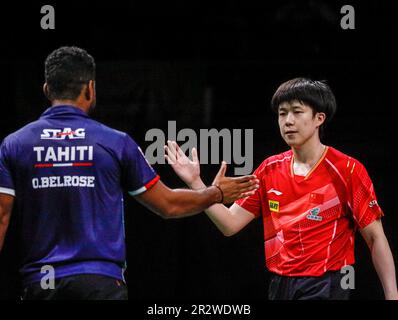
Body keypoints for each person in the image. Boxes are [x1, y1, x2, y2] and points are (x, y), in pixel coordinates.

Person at [0, 46, 259, 300]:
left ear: (47, 90)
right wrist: (216, 193)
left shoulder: (15, 144)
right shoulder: (115, 142)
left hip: (41, 283)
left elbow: (2, 216)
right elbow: (167, 205)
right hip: (100, 284)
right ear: (90, 88)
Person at [165, 77, 398, 300]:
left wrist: (392, 295)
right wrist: (196, 183)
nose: (288, 121)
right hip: (280, 284)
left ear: (319, 118)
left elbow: (376, 238)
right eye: (282, 113)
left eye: (297, 112)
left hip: (326, 283)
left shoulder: (347, 170)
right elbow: (229, 224)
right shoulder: (269, 170)